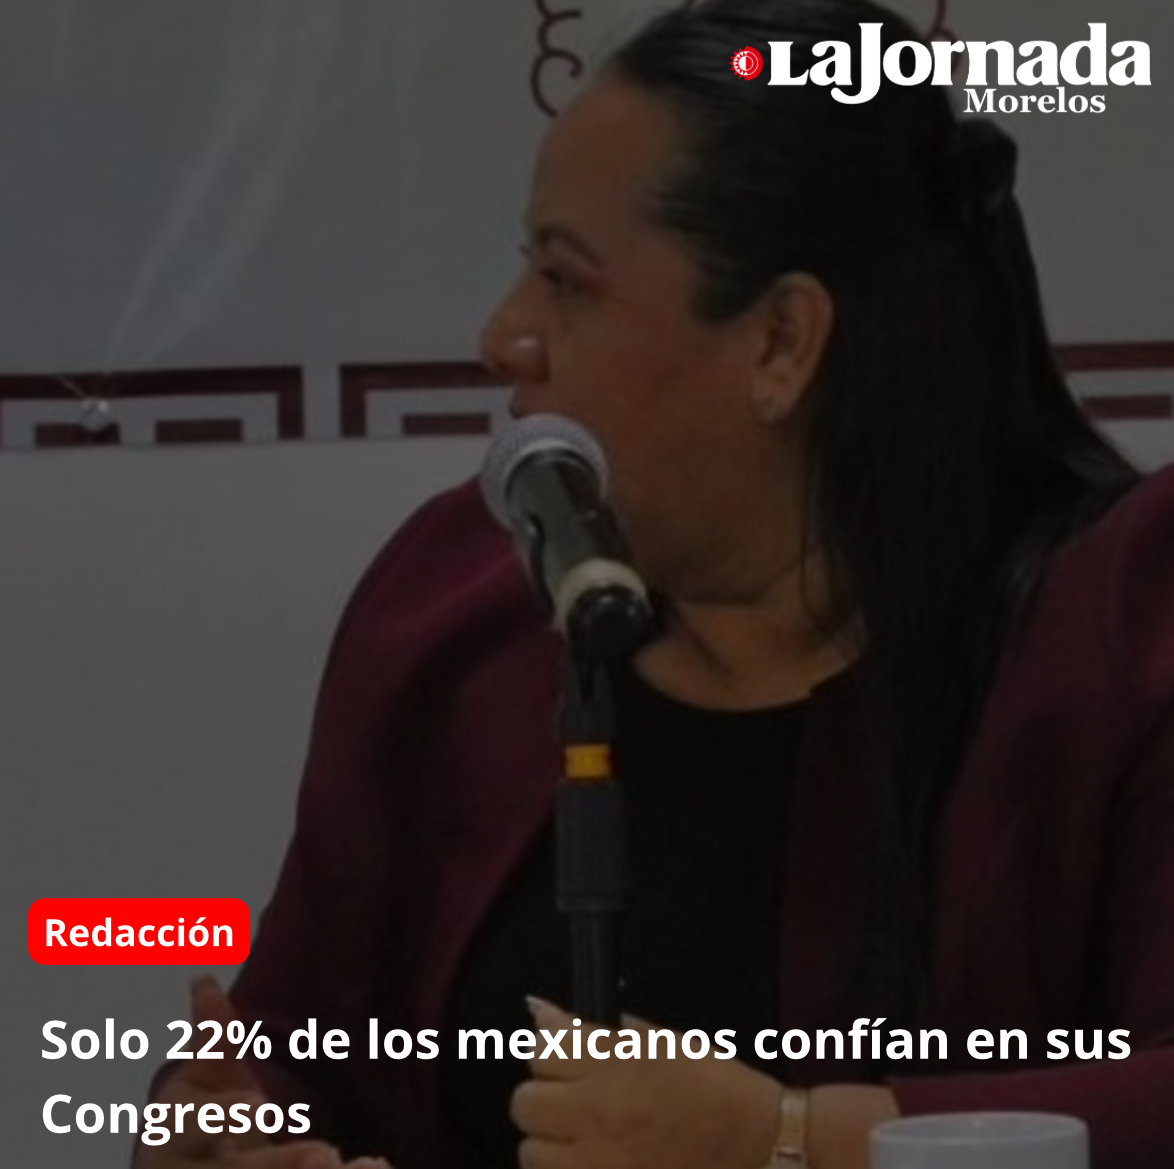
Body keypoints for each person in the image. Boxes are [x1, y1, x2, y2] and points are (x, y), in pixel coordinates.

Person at [139, 1, 1174, 1167]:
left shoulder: (1125, 620)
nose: (502, 336)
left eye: (566, 281)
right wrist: (217, 1132)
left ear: (780, 342)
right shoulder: (453, 604)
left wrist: (785, 1139)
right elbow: (292, 1049)